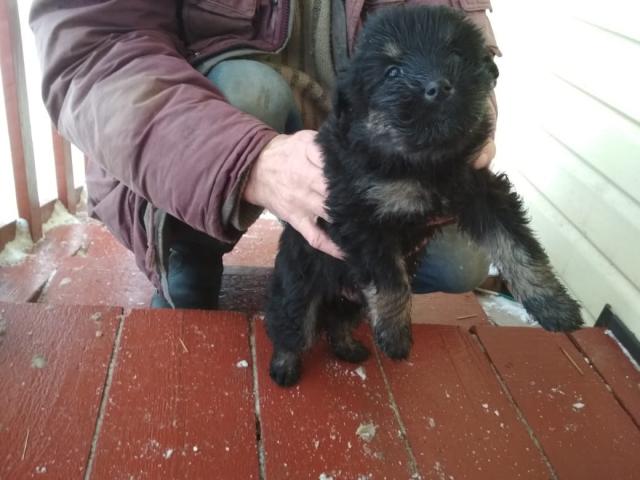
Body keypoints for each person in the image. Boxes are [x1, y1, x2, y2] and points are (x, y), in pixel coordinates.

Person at [30, 0, 500, 309]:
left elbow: (451, 26)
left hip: (360, 127)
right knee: (249, 90)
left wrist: (470, 106)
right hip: (209, 117)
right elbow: (95, 49)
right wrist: (248, 161)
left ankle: (342, 277)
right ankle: (189, 252)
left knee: (460, 260)